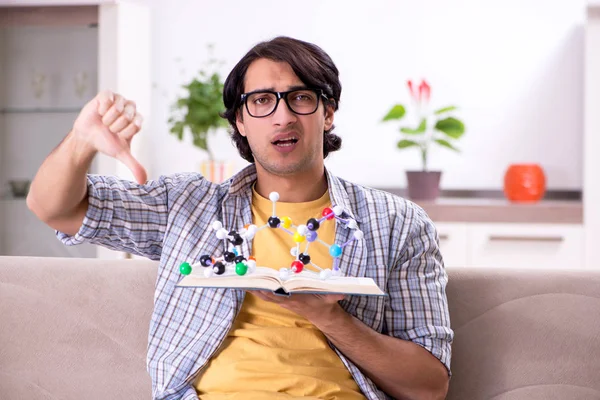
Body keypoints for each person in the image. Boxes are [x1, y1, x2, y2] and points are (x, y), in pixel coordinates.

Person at [27, 36, 453, 400]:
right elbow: (55, 208)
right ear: (240, 122)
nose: (283, 115)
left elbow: (428, 387)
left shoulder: (398, 223)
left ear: (328, 113)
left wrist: (327, 316)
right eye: (262, 101)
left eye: (301, 97)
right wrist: (82, 142)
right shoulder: (189, 206)